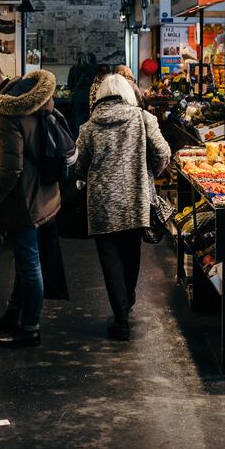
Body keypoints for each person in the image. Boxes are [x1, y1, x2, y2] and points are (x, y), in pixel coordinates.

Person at [0, 58, 60, 348]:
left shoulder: (6, 110)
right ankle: (14, 315)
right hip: (41, 191)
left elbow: (9, 168)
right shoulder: (27, 97)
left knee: (29, 263)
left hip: (22, 198)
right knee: (24, 261)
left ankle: (29, 328)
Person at [76, 74, 170, 341]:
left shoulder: (89, 127)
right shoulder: (143, 119)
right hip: (134, 199)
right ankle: (126, 303)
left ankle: (120, 315)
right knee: (131, 252)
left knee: (109, 258)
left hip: (102, 203)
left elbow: (79, 165)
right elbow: (163, 153)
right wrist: (149, 171)